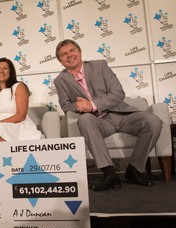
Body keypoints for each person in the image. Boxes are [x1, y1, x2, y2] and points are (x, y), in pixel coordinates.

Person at [54, 39, 162, 191]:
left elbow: (118, 93)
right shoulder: (60, 80)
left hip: (122, 115)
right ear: (61, 61)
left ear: (79, 52)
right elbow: (65, 106)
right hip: (98, 122)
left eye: (72, 50)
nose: (69, 55)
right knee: (85, 120)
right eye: (64, 54)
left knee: (154, 122)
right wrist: (77, 105)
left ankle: (135, 169)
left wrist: (91, 104)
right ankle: (109, 173)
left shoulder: (100, 65)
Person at [0, 57, 41, 142]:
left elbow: (21, 115)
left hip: (18, 124)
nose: (1, 71)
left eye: (5, 68)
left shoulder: (19, 87)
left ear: (10, 72)